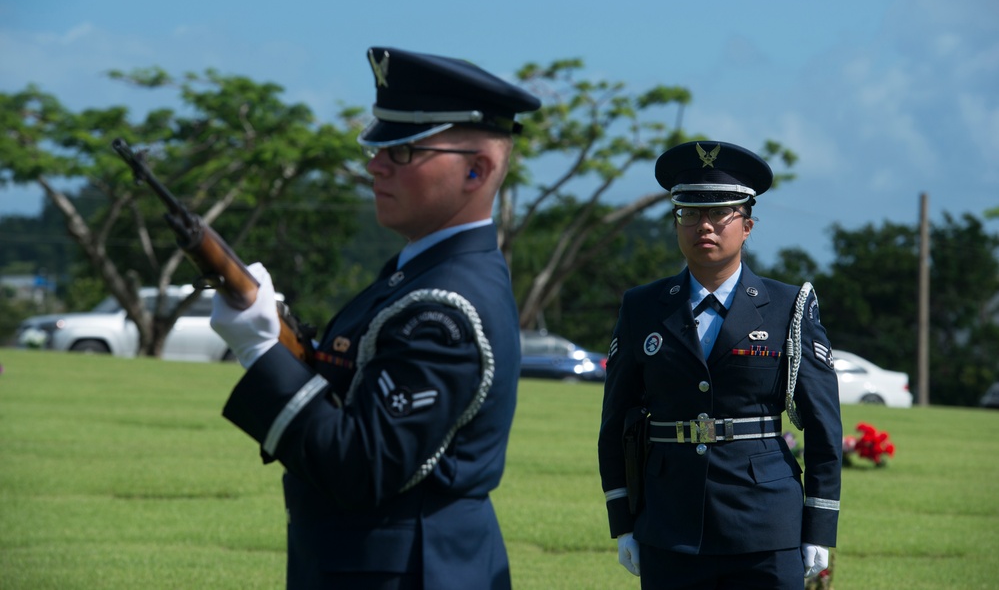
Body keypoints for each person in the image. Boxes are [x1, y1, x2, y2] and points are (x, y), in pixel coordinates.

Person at [210, 46, 540, 589]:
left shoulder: (442, 307)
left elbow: (360, 466)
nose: (375, 164)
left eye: (404, 150)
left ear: (475, 170)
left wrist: (258, 351)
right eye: (379, 145)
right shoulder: (417, 275)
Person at [597, 140, 842, 589]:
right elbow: (615, 421)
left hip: (765, 528)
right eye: (689, 213)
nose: (702, 225)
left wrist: (820, 525)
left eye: (719, 214)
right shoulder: (643, 307)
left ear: (747, 225)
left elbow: (825, 427)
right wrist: (623, 521)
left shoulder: (788, 307)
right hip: (669, 526)